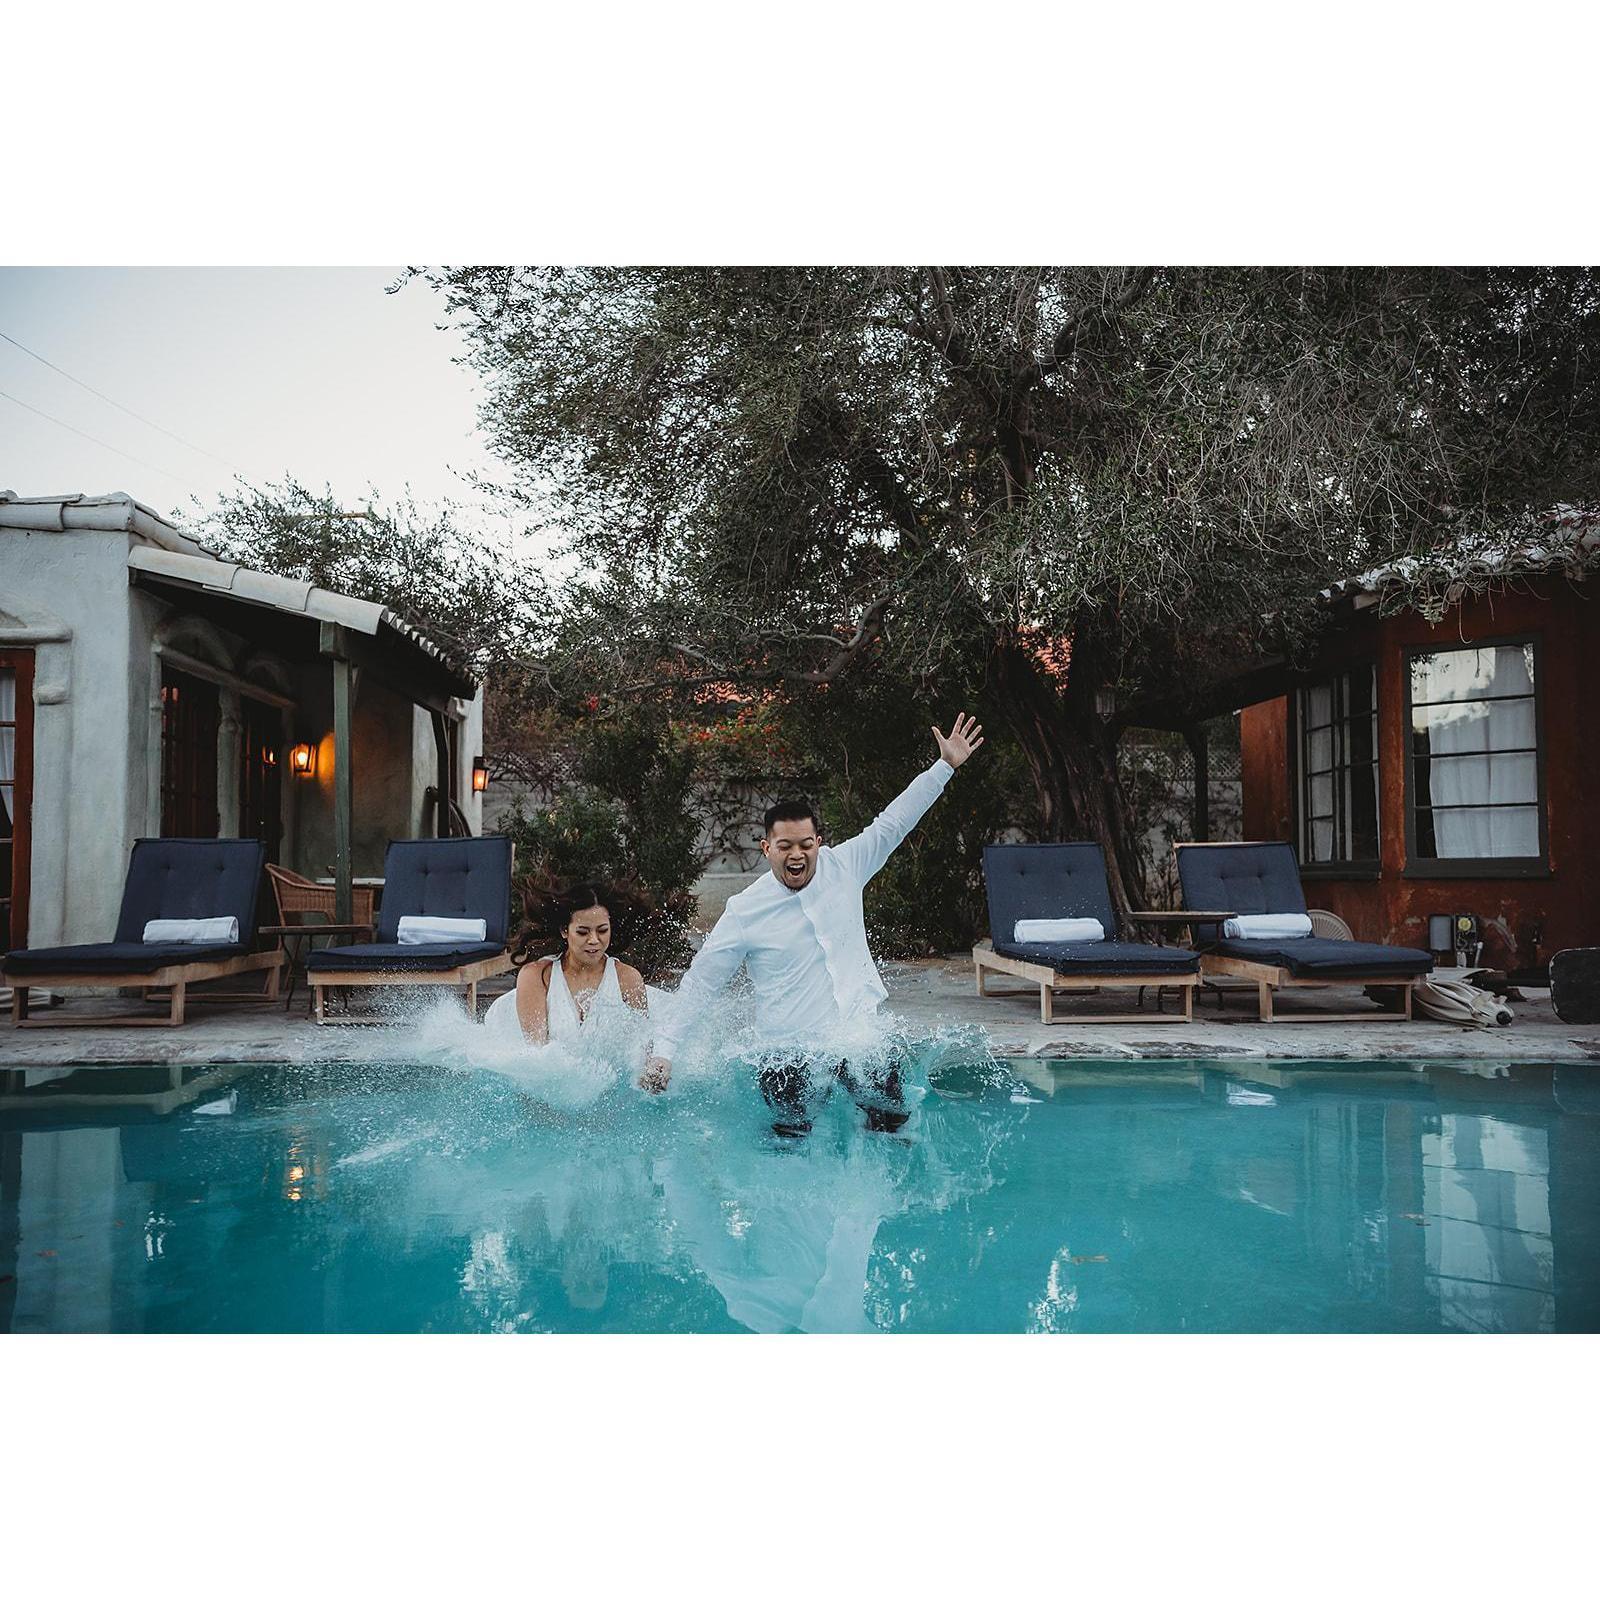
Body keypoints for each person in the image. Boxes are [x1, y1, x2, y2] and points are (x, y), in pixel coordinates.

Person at [641, 713, 984, 1135]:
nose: (797, 855)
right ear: (766, 848)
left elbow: (893, 823)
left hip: (855, 1037)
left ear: (819, 843)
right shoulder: (745, 910)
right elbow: (702, 981)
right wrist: (665, 1049)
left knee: (892, 1123)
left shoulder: (845, 866)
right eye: (785, 846)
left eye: (806, 844)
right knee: (791, 1138)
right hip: (787, 1052)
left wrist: (944, 767)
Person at [482, 884, 648, 1046]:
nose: (594, 940)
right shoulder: (537, 976)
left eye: (602, 930)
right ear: (564, 930)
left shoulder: (628, 978)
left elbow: (643, 1047)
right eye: (583, 932)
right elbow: (536, 1052)